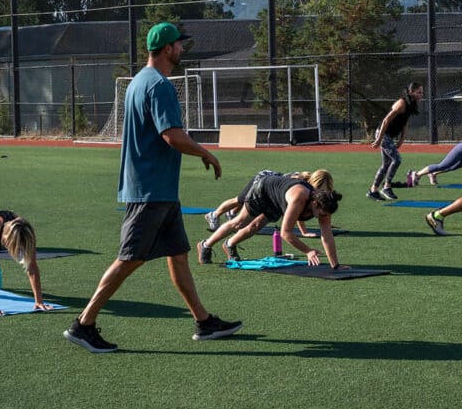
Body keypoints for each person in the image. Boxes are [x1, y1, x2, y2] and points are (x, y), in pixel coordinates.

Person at [64, 22, 241, 353]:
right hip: (150, 191)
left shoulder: (138, 82)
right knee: (129, 258)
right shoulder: (159, 86)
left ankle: (204, 321)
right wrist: (206, 152)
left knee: (179, 256)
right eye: (178, 44)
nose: (182, 49)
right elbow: (171, 135)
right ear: (166, 49)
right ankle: (83, 324)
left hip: (159, 190)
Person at [197, 171, 346, 269]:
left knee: (256, 225)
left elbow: (327, 236)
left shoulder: (326, 206)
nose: (323, 217)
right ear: (314, 204)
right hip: (264, 189)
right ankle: (206, 245)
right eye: (321, 214)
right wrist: (308, 251)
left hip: (278, 199)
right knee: (240, 222)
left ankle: (229, 245)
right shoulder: (299, 199)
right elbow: (286, 233)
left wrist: (336, 265)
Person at [204, 170, 317, 237]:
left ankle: (231, 214)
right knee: (239, 199)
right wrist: (304, 232)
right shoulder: (301, 184)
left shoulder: (306, 186)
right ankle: (214, 215)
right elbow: (296, 211)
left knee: (242, 202)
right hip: (262, 180)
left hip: (269, 185)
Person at [368, 82, 423, 201]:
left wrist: (402, 140)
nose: (421, 95)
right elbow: (385, 120)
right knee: (397, 159)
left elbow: (404, 123)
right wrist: (378, 140)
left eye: (421, 92)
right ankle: (387, 186)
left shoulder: (411, 104)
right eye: (419, 92)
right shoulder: (401, 103)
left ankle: (373, 190)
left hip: (389, 137)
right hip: (383, 135)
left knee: (386, 164)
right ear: (411, 92)